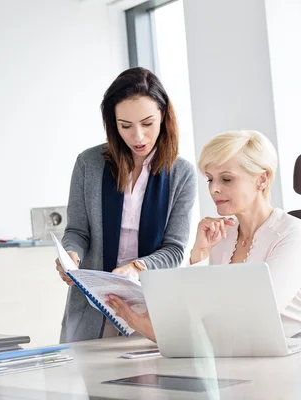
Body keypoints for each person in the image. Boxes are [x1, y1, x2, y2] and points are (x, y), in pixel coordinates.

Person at [106, 130, 301, 341]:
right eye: (210, 178)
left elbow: (256, 316)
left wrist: (165, 332)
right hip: (250, 354)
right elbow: (196, 307)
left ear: (262, 179)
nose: (214, 189)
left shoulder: (293, 233)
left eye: (226, 179)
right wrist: (201, 253)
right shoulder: (221, 237)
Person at [56, 67, 197, 343]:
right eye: (125, 126)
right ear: (113, 123)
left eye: (147, 123)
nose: (138, 137)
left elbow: (174, 250)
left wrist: (136, 268)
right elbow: (77, 231)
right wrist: (71, 254)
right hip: (92, 308)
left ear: (164, 117)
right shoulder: (89, 164)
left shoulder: (181, 174)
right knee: (87, 384)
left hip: (149, 313)